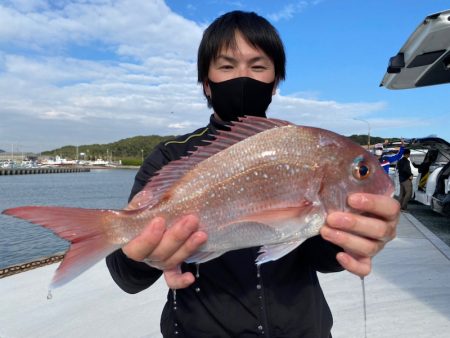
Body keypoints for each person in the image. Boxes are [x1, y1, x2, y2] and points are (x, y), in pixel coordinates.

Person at [106, 11, 399, 337]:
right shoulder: (171, 157)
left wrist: (352, 241)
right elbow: (125, 275)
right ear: (206, 83)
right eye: (227, 66)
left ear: (274, 84)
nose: (242, 76)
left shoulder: (299, 147)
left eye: (258, 66)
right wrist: (144, 257)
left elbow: (320, 257)